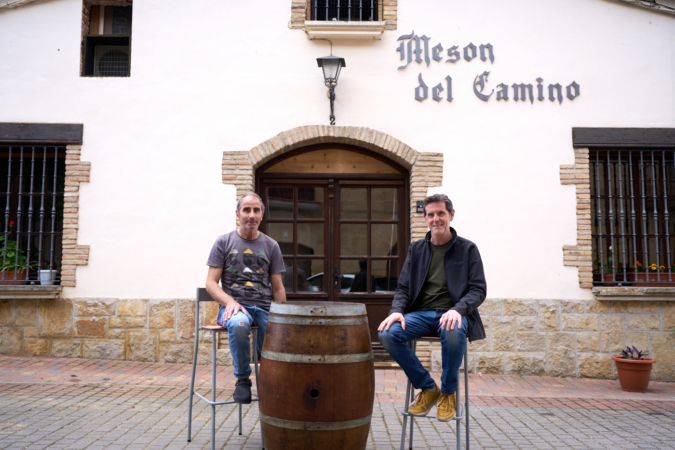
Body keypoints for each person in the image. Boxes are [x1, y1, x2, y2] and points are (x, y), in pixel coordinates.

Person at [377, 193, 486, 421]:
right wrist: (396, 310)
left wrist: (458, 309)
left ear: (451, 215)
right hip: (422, 314)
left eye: (441, 214)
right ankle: (427, 388)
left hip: (454, 314)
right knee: (388, 333)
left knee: (453, 330)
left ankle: (448, 393)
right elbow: (404, 287)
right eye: (430, 215)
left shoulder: (468, 249)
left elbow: (478, 289)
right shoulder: (416, 249)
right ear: (425, 218)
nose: (435, 219)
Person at [206, 193, 287, 404]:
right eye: (246, 210)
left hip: (263, 309)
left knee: (275, 339)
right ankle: (243, 379)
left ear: (262, 214)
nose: (251, 215)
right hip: (234, 309)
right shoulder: (223, 242)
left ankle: (274, 382)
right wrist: (230, 302)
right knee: (240, 324)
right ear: (237, 214)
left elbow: (278, 288)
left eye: (256, 210)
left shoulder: (272, 246)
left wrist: (282, 316)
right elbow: (211, 283)